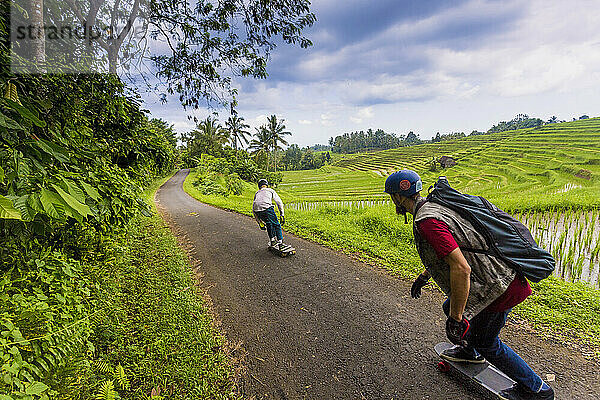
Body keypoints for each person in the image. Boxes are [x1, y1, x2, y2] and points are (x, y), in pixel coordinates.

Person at [384, 169, 554, 400]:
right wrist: (425, 277)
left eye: (392, 196)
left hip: (498, 288)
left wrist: (456, 319)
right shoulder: (435, 207)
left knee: (487, 342)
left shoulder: (428, 221)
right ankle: (468, 352)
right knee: (451, 307)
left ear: (397, 197)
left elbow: (461, 267)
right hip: (501, 278)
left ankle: (537, 390)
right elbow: (453, 250)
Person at [253, 178, 286, 249]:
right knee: (276, 224)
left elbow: (254, 209)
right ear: (267, 185)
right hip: (267, 208)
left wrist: (259, 222)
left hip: (257, 211)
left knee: (269, 223)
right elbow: (279, 202)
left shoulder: (257, 193)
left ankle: (272, 240)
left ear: (259, 186)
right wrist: (282, 214)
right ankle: (280, 243)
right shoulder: (270, 190)